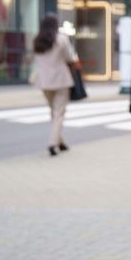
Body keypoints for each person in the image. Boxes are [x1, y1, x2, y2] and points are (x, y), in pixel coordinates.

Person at [31, 14, 79, 156]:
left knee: (54, 112)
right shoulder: (61, 39)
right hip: (60, 80)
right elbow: (69, 57)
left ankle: (61, 142)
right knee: (59, 113)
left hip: (44, 81)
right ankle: (53, 143)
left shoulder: (36, 40)